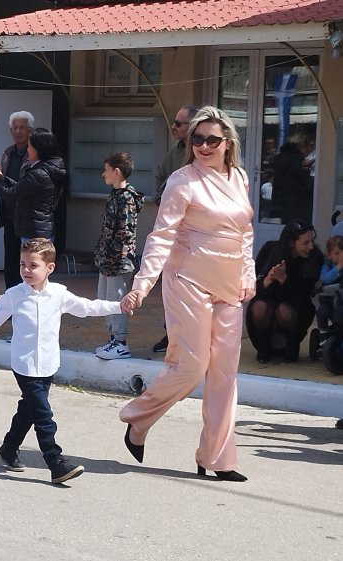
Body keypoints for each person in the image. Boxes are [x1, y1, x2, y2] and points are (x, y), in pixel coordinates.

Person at [120, 106, 254, 482]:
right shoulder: (183, 181)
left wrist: (249, 275)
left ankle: (218, 457)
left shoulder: (239, 177)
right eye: (197, 139)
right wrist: (142, 285)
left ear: (228, 143)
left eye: (212, 139)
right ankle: (138, 418)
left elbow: (245, 233)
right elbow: (161, 236)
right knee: (192, 366)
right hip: (188, 280)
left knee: (224, 374)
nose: (204, 146)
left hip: (229, 285)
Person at [0, 238, 121, 483]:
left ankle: (8, 448)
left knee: (29, 410)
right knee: (43, 415)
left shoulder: (59, 294)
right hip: (24, 365)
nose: (26, 271)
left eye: (33, 266)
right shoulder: (14, 295)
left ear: (49, 268)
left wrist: (119, 306)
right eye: (23, 265)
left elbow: (87, 307)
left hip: (47, 364)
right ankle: (55, 462)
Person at [151, 105, 198, 353]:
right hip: (174, 230)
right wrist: (164, 200)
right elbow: (160, 180)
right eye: (174, 122)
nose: (173, 127)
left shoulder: (204, 154)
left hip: (198, 234)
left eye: (179, 124)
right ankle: (171, 335)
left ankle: (191, 338)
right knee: (172, 286)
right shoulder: (174, 152)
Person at [246, 220, 323, 364]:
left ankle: (291, 348)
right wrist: (267, 281)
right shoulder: (270, 250)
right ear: (291, 243)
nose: (311, 246)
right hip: (268, 307)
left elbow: (305, 293)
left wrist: (285, 280)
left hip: (296, 309)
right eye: (305, 243)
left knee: (284, 309)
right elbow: (253, 287)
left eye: (312, 241)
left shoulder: (314, 257)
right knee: (259, 306)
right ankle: (264, 349)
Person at [93, 152, 144, 361]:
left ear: (117, 172)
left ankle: (120, 342)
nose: (103, 174)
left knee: (117, 300)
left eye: (106, 170)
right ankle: (113, 338)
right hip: (108, 261)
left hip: (118, 262)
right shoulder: (115, 196)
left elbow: (125, 232)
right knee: (105, 300)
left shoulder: (126, 199)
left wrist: (111, 254)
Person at [0, 127, 67, 242]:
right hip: (39, 229)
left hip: (34, 232)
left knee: (32, 260)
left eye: (30, 146)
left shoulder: (39, 173)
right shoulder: (47, 168)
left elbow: (12, 194)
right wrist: (1, 177)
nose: (27, 149)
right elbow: (22, 187)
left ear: (39, 149)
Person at [0, 111, 34, 288]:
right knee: (11, 263)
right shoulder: (8, 153)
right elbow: (5, 184)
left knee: (29, 264)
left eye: (22, 128)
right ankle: (10, 303)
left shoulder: (34, 156)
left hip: (28, 218)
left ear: (30, 130)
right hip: (10, 216)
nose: (18, 131)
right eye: (14, 128)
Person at [271, 142, 312, 226]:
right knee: (296, 217)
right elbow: (300, 175)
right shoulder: (296, 159)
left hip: (281, 192)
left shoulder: (279, 159)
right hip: (296, 193)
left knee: (285, 216)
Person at [315, 235, 343, 336]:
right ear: (329, 255)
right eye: (336, 253)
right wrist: (338, 267)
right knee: (321, 313)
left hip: (341, 301)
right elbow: (325, 278)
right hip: (328, 300)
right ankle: (323, 334)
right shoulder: (327, 264)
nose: (340, 257)